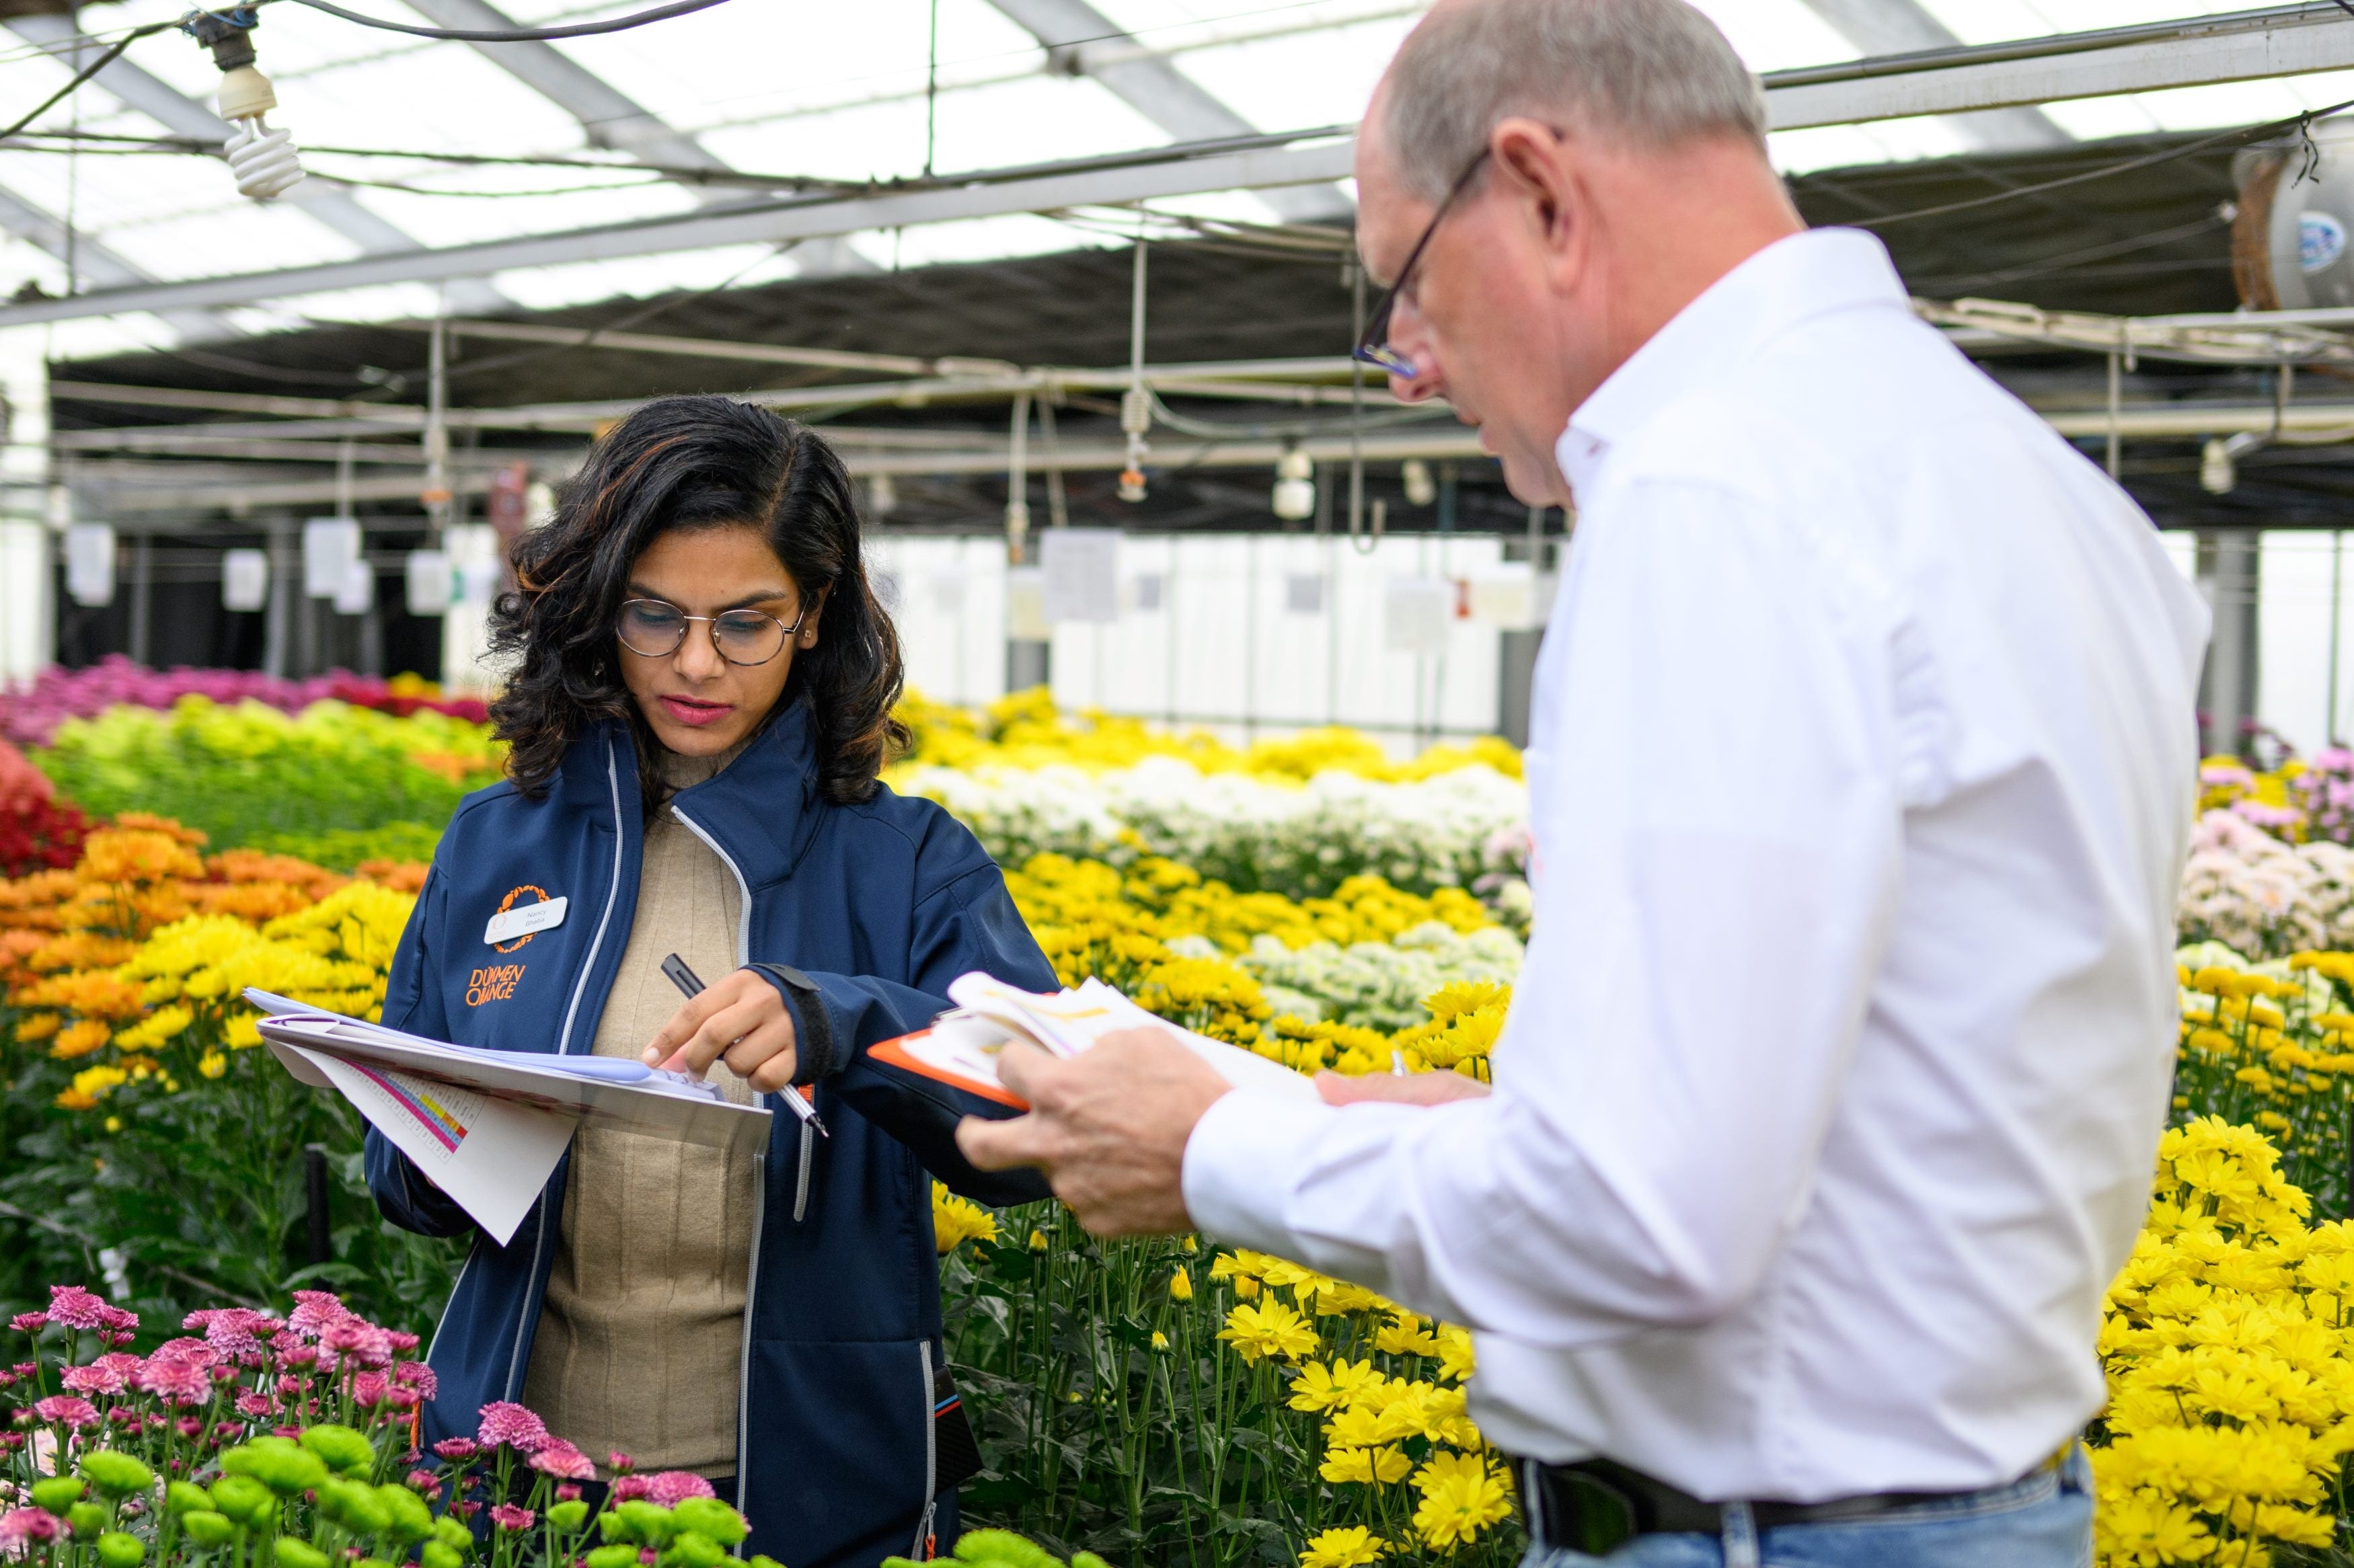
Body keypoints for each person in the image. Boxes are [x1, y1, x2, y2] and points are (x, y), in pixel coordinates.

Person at [956, 1, 2211, 1564]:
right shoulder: (2031, 484)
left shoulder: (1719, 488)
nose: (1405, 365)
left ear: (1541, 191)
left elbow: (1645, 1220)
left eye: (1406, 285)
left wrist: (1210, 1148)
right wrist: (1474, 1125)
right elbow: (1891, 1099)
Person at [365, 395, 1055, 1568]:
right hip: (523, 1489)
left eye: (746, 623)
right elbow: (403, 1178)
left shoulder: (906, 863)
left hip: (807, 1490)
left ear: (814, 614)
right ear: (598, 607)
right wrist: (449, 1141)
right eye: (655, 616)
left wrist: (846, 1023)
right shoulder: (495, 845)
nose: (696, 663)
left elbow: (1037, 1129)